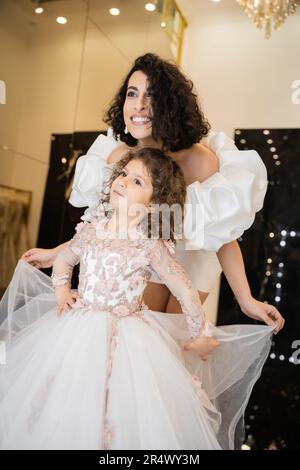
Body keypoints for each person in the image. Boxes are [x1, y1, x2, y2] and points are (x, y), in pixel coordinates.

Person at [0, 149, 273, 450]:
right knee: (65, 400)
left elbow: (184, 290)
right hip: (77, 330)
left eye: (137, 182)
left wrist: (200, 334)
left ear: (155, 205)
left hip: (127, 337)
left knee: (116, 409)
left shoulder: (150, 245)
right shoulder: (90, 230)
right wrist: (62, 291)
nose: (123, 182)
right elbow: (65, 259)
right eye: (123, 174)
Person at [21, 53, 284, 332]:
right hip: (146, 254)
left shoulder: (200, 160)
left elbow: (223, 234)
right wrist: (57, 253)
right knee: (138, 334)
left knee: (180, 343)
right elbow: (105, 229)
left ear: (171, 105)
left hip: (196, 258)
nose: (140, 105)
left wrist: (246, 299)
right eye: (132, 94)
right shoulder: (120, 159)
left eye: (153, 95)